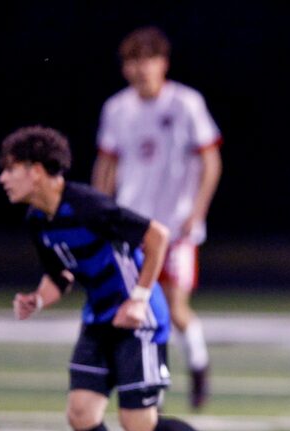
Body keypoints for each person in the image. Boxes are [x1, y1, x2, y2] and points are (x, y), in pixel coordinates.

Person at [0, 126, 255, 431]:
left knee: (139, 425)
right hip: (99, 319)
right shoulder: (38, 220)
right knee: (81, 413)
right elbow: (61, 273)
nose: (2, 178)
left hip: (140, 320)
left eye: (9, 169)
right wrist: (38, 299)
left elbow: (157, 237)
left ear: (35, 170)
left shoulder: (87, 205)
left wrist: (138, 297)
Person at [92, 26, 221, 408]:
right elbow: (106, 164)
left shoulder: (186, 103)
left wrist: (196, 211)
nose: (140, 69)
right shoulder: (117, 108)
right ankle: (152, 384)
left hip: (175, 225)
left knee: (175, 307)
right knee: (138, 307)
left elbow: (210, 161)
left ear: (162, 63)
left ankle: (198, 365)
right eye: (132, 61)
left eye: (146, 60)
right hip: (133, 225)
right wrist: (101, 211)